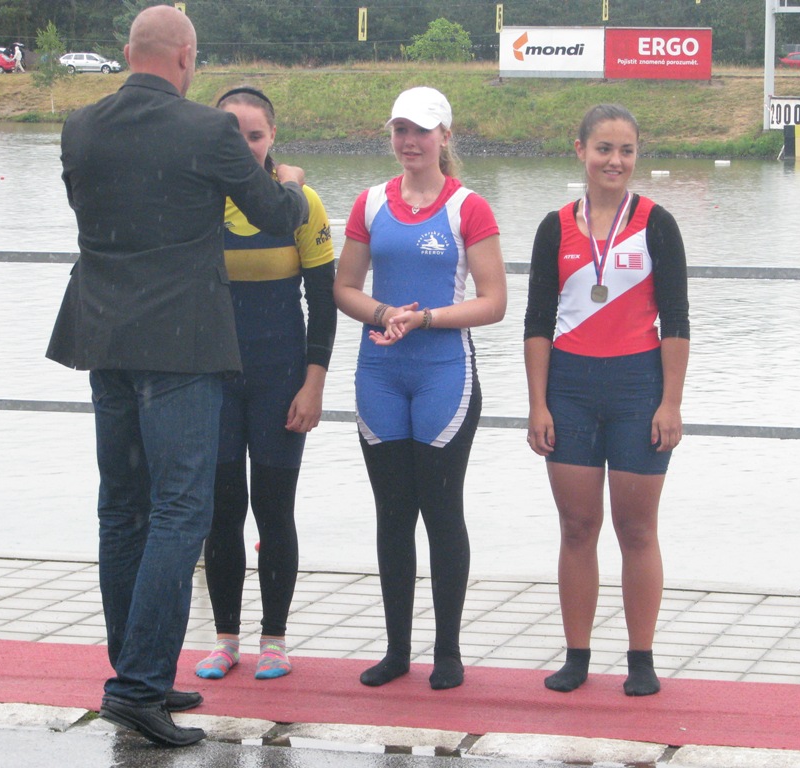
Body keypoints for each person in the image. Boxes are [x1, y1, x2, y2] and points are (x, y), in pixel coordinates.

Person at [45, 5, 309, 748]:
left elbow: (98, 211)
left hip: (103, 338)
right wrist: (288, 182)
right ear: (187, 58)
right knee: (180, 512)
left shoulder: (81, 126)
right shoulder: (208, 130)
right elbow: (272, 214)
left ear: (130, 53)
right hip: (182, 345)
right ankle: (137, 688)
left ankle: (140, 672)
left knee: (121, 509)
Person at [333, 86, 506, 691]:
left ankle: (448, 652)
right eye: (401, 130)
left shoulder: (468, 208)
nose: (410, 141)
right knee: (392, 514)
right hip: (380, 374)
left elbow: (494, 302)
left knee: (441, 511)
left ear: (444, 137)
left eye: (422, 131)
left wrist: (426, 318)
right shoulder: (369, 203)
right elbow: (344, 287)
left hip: (443, 374)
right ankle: (397, 652)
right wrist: (385, 314)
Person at [523, 104, 689, 697]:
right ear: (581, 151)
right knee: (577, 527)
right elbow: (537, 322)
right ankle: (577, 656)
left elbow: (677, 321)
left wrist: (670, 403)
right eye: (603, 149)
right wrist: (538, 404)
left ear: (637, 155)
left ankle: (641, 658)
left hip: (638, 389)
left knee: (636, 529)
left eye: (626, 150)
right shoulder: (554, 227)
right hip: (568, 389)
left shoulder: (657, 223)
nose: (614, 161)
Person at [194, 86, 336, 682]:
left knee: (274, 510)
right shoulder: (198, 200)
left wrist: (314, 385)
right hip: (215, 381)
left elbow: (323, 304)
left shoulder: (303, 202)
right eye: (232, 134)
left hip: (281, 381)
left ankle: (274, 639)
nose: (244, 145)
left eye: (254, 135)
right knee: (221, 513)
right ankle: (225, 639)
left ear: (272, 137)